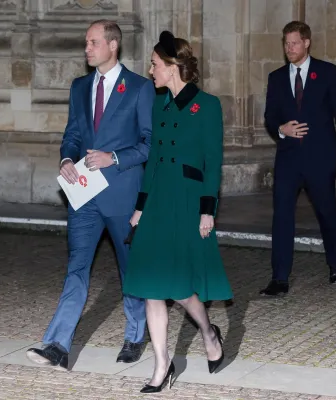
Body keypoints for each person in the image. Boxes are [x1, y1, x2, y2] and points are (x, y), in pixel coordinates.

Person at [25, 19, 155, 370]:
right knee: (77, 267)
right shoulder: (79, 86)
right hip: (83, 194)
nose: (87, 49)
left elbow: (150, 143)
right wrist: (67, 158)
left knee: (130, 268)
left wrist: (114, 157)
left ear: (113, 45)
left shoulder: (140, 88)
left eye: (93, 42)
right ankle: (57, 345)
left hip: (122, 194)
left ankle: (135, 334)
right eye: (86, 42)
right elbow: (72, 134)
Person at [123, 31, 233, 394]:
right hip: (158, 202)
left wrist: (207, 211)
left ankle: (208, 331)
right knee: (152, 286)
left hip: (187, 201)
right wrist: (140, 208)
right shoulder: (159, 104)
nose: (150, 70)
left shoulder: (207, 105)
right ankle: (162, 365)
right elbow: (154, 159)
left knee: (181, 287)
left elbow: (213, 163)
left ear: (172, 67)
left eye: (154, 64)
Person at [261, 21, 336, 296]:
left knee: (327, 211)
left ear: (306, 42)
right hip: (288, 159)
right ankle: (279, 278)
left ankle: (335, 265)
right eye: (286, 43)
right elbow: (270, 116)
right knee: (282, 215)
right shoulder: (276, 77)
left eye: (294, 43)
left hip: (320, 157)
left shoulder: (327, 72)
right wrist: (282, 129)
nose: (289, 48)